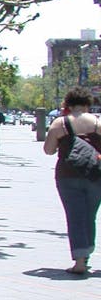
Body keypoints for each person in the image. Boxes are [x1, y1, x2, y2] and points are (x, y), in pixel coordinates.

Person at [43, 86, 101, 275]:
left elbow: (48, 150)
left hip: (67, 175)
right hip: (95, 174)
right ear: (87, 104)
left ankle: (80, 261)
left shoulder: (60, 123)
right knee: (89, 215)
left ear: (68, 104)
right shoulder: (98, 122)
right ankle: (87, 251)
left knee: (75, 216)